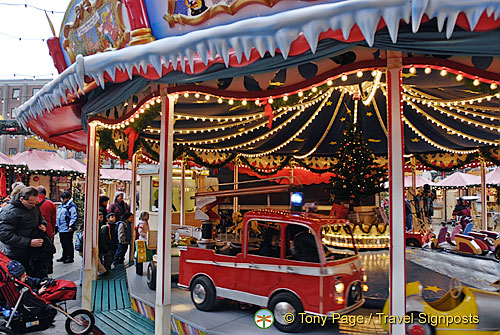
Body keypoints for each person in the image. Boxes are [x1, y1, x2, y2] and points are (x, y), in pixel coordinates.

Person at [0, 187, 47, 275]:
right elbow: (4, 235)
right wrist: (29, 242)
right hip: (16, 253)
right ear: (21, 199)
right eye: (30, 203)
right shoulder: (9, 212)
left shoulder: (33, 207)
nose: (33, 205)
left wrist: (43, 225)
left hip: (32, 252)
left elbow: (41, 218)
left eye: (35, 202)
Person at [37, 186, 57, 274]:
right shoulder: (50, 204)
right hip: (48, 230)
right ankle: (49, 267)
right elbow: (53, 219)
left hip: (36, 231)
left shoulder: (33, 202)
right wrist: (53, 229)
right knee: (48, 249)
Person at [56, 191, 78, 264]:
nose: (62, 200)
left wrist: (71, 225)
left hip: (67, 227)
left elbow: (73, 217)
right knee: (63, 243)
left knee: (68, 243)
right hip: (61, 227)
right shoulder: (61, 205)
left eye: (63, 198)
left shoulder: (71, 206)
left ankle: (70, 257)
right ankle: (64, 256)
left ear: (68, 198)